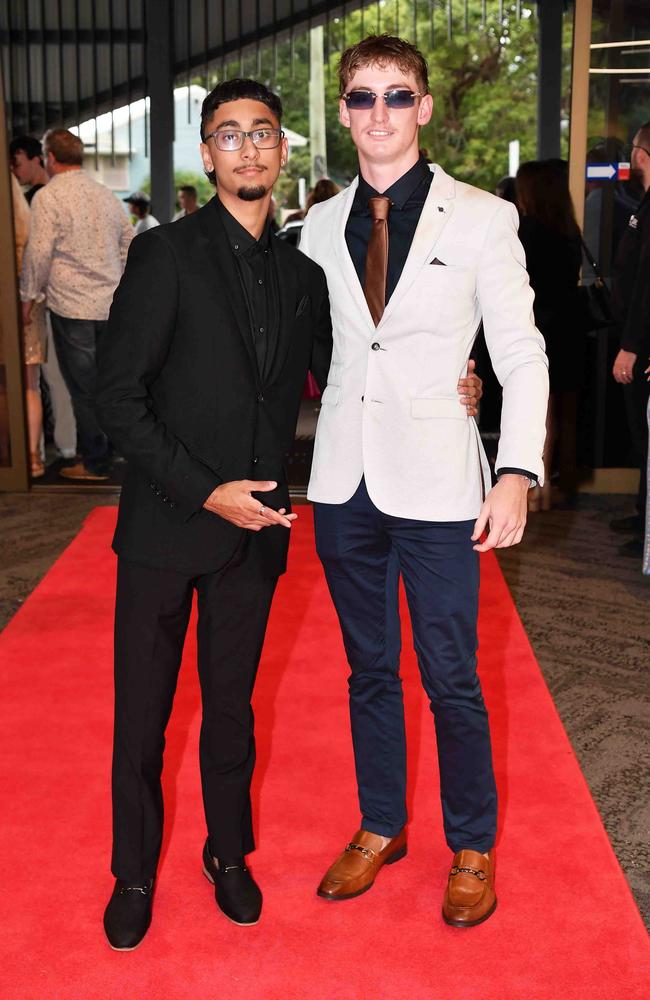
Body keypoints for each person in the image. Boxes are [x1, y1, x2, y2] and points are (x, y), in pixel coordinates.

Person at [299, 34, 548, 928]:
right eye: (361, 98)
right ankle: (379, 824)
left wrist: (516, 467)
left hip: (442, 485)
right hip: (342, 482)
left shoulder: (483, 217)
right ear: (343, 112)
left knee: (451, 675)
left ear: (426, 107)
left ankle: (471, 844)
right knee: (368, 669)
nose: (379, 114)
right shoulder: (319, 225)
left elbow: (521, 351)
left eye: (396, 97)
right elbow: (314, 347)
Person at [95, 77, 335, 951]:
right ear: (207, 154)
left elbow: (342, 379)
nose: (247, 148)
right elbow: (117, 396)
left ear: (281, 151)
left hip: (256, 537)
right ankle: (131, 870)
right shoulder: (166, 256)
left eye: (262, 133)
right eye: (228, 135)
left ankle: (227, 854)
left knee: (232, 711)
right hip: (166, 525)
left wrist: (456, 385)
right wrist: (205, 490)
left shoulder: (304, 273)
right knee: (142, 717)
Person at [20, 128, 134, 480]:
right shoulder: (105, 195)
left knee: (84, 390)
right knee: (112, 385)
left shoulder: (48, 197)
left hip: (72, 307)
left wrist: (27, 296)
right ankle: (116, 452)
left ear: (50, 157)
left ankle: (94, 461)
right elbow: (130, 242)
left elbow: (38, 253)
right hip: (111, 305)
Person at [515, 160, 582, 510]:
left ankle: (536, 489)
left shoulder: (528, 233)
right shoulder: (570, 231)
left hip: (540, 328)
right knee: (564, 411)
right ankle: (563, 480)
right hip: (569, 329)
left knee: (540, 410)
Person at [611, 122, 650, 556]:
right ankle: (644, 520)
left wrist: (634, 345)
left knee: (646, 438)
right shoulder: (644, 204)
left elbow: (646, 286)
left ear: (642, 155)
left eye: (633, 149)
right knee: (643, 439)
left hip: (641, 345)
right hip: (637, 339)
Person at [11, 173, 46, 476]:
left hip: (23, 306)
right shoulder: (26, 219)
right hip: (28, 305)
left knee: (27, 386)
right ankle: (34, 457)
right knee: (30, 386)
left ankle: (30, 456)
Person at [9, 135, 49, 204]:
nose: (13, 171)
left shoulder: (30, 199)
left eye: (17, 165)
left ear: (36, 160)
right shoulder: (59, 189)